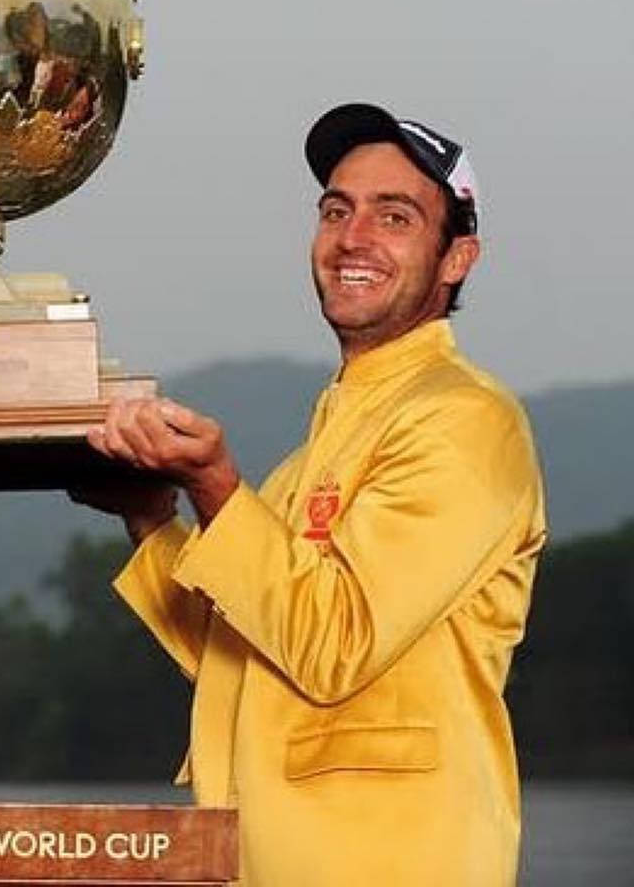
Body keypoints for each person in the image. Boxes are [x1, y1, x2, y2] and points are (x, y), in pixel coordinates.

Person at [76, 104, 546, 886]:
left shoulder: (465, 419)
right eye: (337, 210)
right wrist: (151, 515)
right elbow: (246, 655)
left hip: (391, 861)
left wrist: (215, 484)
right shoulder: (312, 454)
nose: (353, 238)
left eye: (394, 216)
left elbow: (334, 643)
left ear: (457, 257)